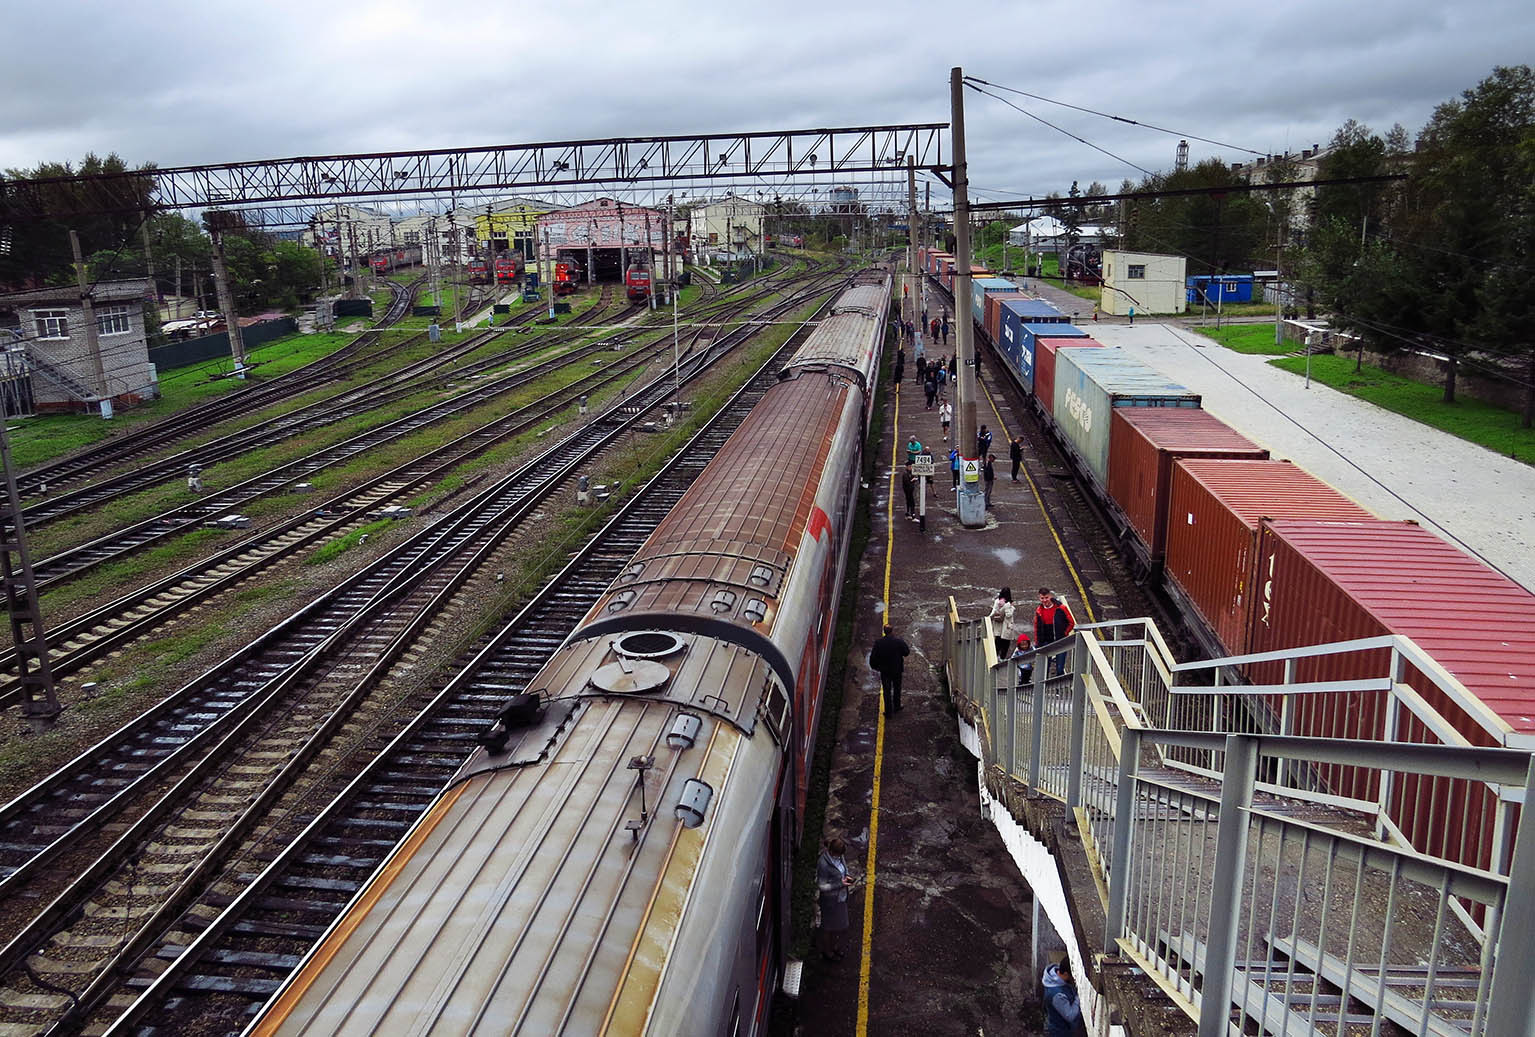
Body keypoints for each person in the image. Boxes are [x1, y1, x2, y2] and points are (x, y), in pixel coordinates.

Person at [817, 837, 855, 961]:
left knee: (841, 926)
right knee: (828, 927)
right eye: (839, 856)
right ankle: (828, 952)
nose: (840, 858)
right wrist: (840, 884)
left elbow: (843, 869)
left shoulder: (840, 856)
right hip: (830, 902)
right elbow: (822, 886)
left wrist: (847, 876)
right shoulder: (823, 863)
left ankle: (834, 947)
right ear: (832, 852)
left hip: (841, 898)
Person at [1035, 587, 1077, 678]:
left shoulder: (1061, 608)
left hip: (1060, 641)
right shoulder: (1039, 611)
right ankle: (1044, 689)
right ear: (1039, 598)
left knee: (1060, 669)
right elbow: (1036, 627)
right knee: (1045, 668)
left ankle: (1059, 690)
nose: (1045, 600)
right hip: (1046, 642)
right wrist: (1038, 642)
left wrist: (1064, 633)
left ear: (1050, 596)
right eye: (1042, 598)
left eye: (1046, 597)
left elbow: (1071, 622)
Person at [868, 623, 910, 714]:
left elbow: (873, 657)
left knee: (886, 691)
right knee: (897, 688)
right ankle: (897, 706)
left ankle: (888, 712)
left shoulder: (878, 643)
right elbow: (906, 652)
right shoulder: (898, 641)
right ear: (892, 631)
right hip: (897, 670)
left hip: (885, 671)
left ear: (884, 631)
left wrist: (875, 667)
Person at [1042, 958, 1081, 1036]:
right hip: (1060, 1032)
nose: (1073, 979)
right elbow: (1070, 1016)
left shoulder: (1056, 974)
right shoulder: (1057, 995)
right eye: (1072, 977)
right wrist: (1078, 997)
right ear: (1066, 974)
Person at [988, 588, 1016, 660]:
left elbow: (993, 611)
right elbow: (1008, 615)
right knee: (1005, 644)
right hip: (1006, 627)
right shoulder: (1008, 604)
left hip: (998, 626)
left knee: (997, 643)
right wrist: (1011, 607)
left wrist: (988, 618)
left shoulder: (997, 601)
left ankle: (995, 659)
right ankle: (1002, 659)